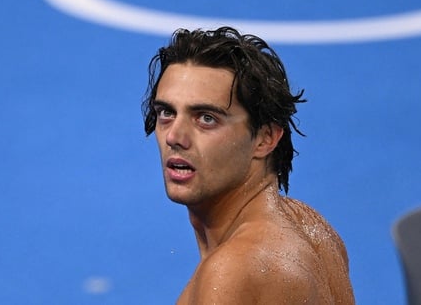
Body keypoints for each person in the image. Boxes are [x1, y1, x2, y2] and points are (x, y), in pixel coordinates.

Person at [142, 26, 355, 304]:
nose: (174, 137)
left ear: (265, 139)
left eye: (206, 118)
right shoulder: (310, 225)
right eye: (167, 113)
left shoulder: (232, 272)